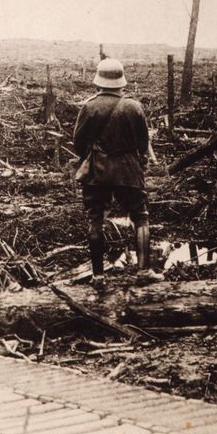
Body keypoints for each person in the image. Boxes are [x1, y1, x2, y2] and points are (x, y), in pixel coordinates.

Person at [73, 57, 153, 277]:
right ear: (121, 83)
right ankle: (144, 271)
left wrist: (93, 156)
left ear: (98, 82)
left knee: (95, 218)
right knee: (140, 216)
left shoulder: (89, 106)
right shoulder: (134, 107)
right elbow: (143, 144)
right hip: (128, 169)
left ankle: (98, 276)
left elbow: (78, 143)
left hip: (97, 171)